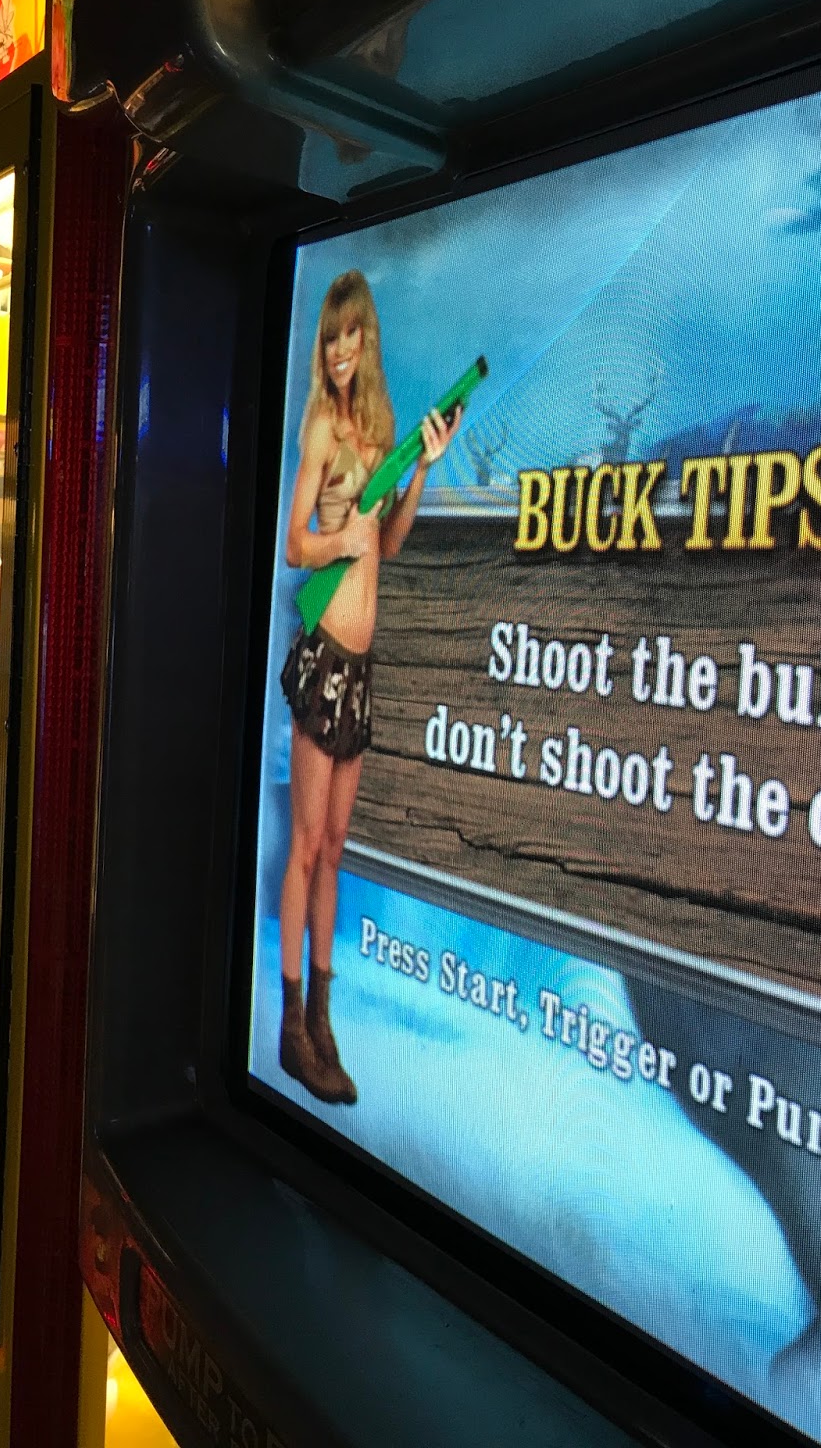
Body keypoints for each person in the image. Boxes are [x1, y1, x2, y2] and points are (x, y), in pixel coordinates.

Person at [279, 269, 461, 1103]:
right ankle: (292, 1030)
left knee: (335, 848)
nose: (340, 350)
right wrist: (338, 542)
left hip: (362, 669)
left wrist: (420, 471)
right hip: (324, 657)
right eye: (330, 337)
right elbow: (296, 546)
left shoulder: (381, 429)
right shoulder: (321, 428)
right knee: (305, 844)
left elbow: (387, 542)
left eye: (351, 335)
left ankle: (323, 1021)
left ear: (368, 340)